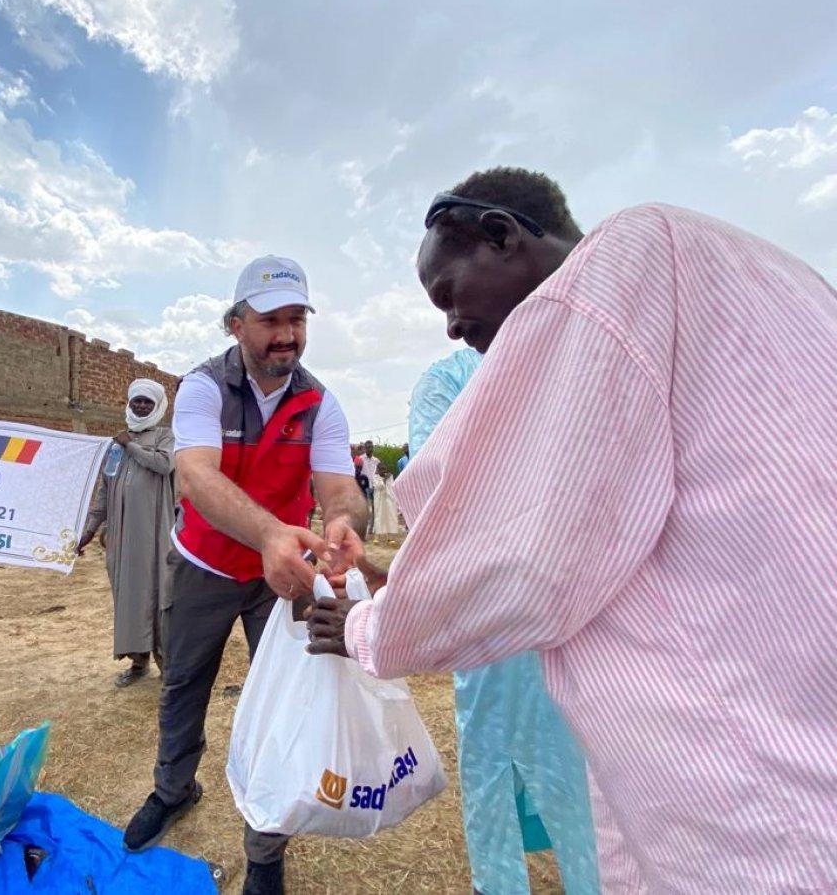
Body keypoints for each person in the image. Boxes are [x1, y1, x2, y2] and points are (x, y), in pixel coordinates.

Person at [308, 167, 837, 891]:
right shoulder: (766, 269)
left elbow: (523, 556)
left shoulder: (609, 282)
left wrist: (369, 627)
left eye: (449, 294)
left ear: (502, 234)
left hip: (760, 786)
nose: (454, 324)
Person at [123, 255, 367, 895]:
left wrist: (343, 523)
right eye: (270, 320)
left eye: (297, 320)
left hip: (279, 574)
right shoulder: (203, 387)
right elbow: (197, 476)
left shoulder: (318, 401)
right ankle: (174, 788)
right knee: (184, 684)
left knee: (282, 701)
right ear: (236, 324)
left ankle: (266, 846)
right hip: (207, 564)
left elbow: (340, 487)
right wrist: (267, 534)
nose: (286, 334)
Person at [410, 348, 598, 893]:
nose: (451, 321)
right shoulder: (447, 380)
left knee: (580, 766)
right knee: (491, 761)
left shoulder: (578, 361)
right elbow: (438, 500)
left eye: (453, 297)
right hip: (488, 622)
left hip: (575, 613)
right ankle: (496, 882)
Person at [78, 379, 176, 688]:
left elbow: (164, 464)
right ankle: (138, 662)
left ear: (158, 405)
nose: (142, 406)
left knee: (158, 594)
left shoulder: (165, 436)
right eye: (138, 401)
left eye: (148, 402)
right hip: (121, 538)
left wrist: (130, 445)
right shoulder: (116, 445)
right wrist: (90, 528)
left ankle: (168, 665)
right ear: (129, 403)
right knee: (128, 596)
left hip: (154, 534)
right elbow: (105, 489)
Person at [370, 467, 402, 539]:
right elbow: (379, 486)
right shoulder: (375, 477)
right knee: (379, 517)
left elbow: (391, 487)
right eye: (381, 470)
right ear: (378, 470)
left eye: (384, 470)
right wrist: (384, 480)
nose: (383, 471)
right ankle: (377, 537)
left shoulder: (389, 477)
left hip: (388, 500)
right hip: (379, 500)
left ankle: (390, 537)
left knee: (389, 517)